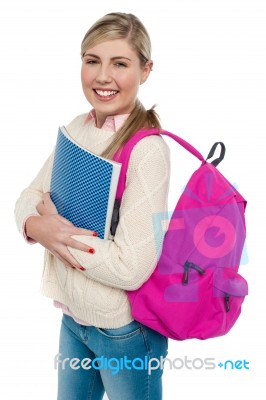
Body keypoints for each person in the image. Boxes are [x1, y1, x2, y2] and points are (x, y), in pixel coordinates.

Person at [14, 12, 170, 400]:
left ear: (145, 70)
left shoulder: (148, 151)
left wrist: (54, 236)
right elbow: (27, 198)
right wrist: (36, 227)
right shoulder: (79, 126)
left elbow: (131, 268)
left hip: (123, 332)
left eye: (120, 63)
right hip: (72, 319)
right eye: (92, 60)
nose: (103, 76)